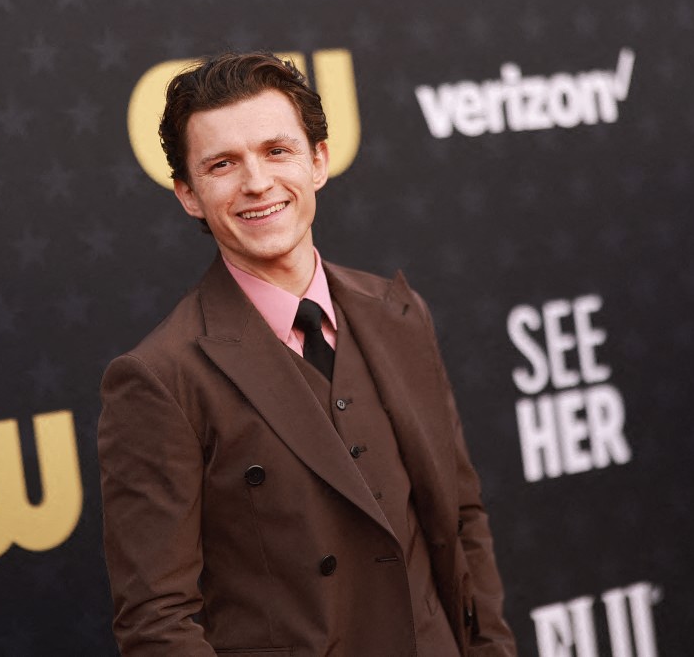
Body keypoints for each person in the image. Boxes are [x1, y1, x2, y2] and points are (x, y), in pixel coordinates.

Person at [97, 51, 516, 656]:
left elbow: (462, 518)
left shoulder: (398, 314)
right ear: (188, 194)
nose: (257, 183)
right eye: (222, 164)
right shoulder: (160, 378)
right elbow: (156, 621)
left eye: (277, 151)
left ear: (318, 161)